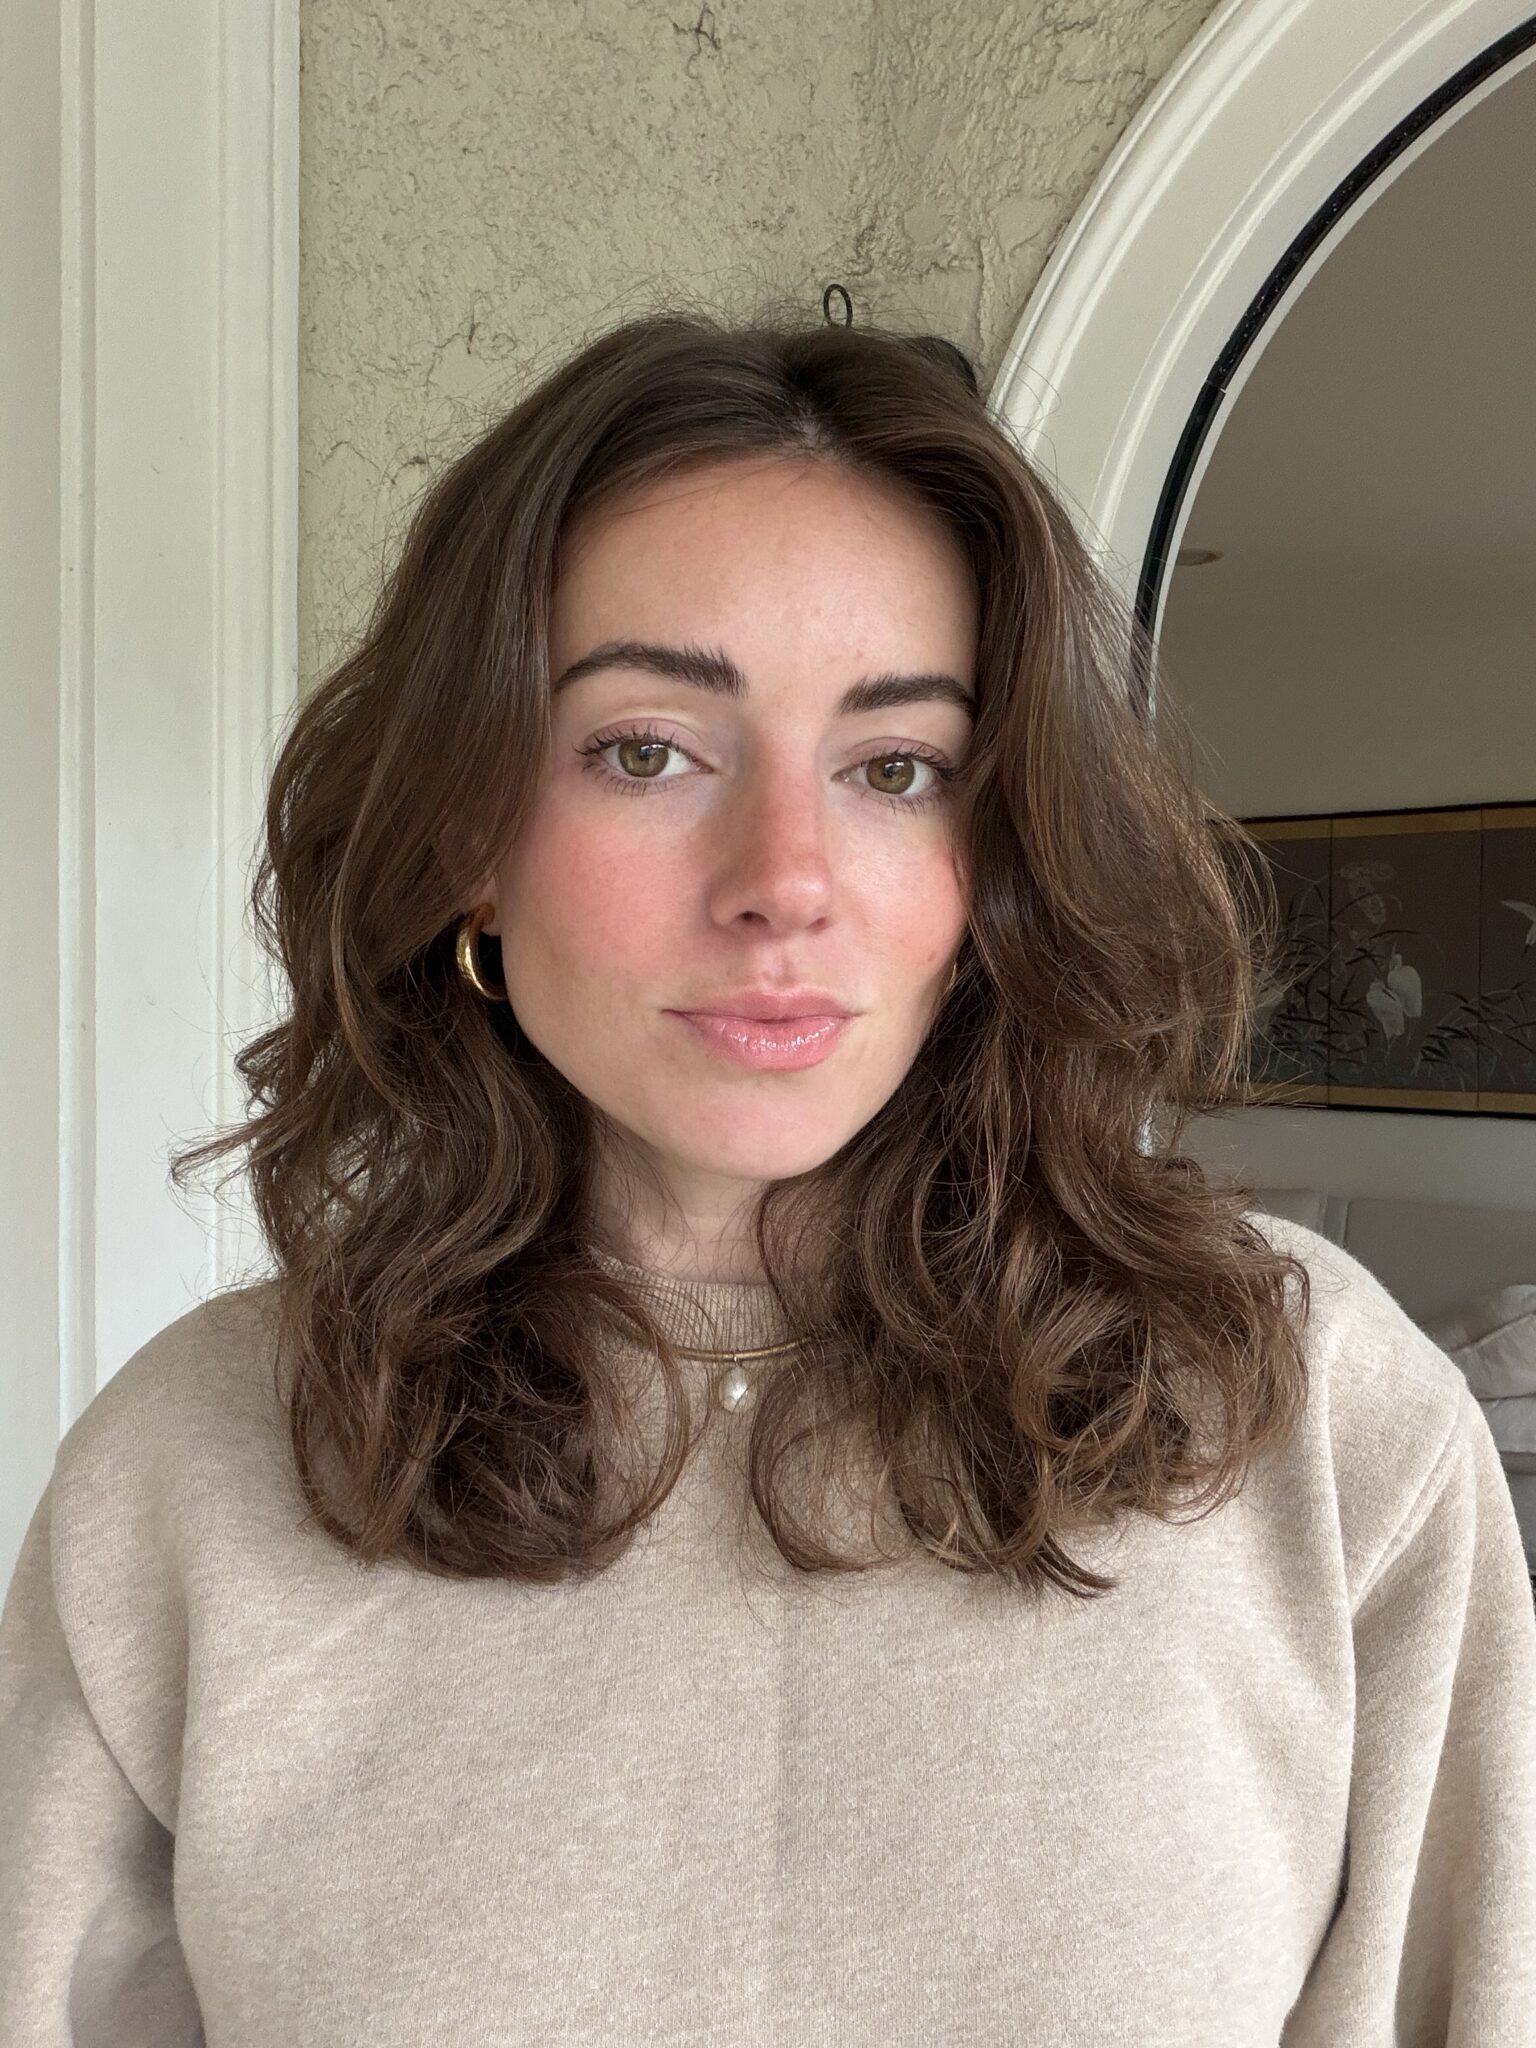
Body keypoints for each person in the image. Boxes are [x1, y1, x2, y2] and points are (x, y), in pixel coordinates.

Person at [1, 305, 1532, 2047]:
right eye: (646, 748)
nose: (783, 882)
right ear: (469, 845)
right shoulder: (186, 1480)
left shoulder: (1313, 1418)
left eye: (897, 769)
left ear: (996, 863)